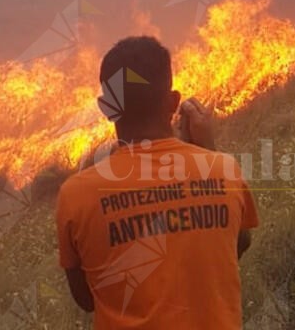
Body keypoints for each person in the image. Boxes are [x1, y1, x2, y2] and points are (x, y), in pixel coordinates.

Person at [56, 36, 260, 329]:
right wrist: (206, 153)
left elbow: (86, 298)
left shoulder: (75, 196)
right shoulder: (223, 169)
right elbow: (237, 245)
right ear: (174, 102)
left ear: (107, 108)